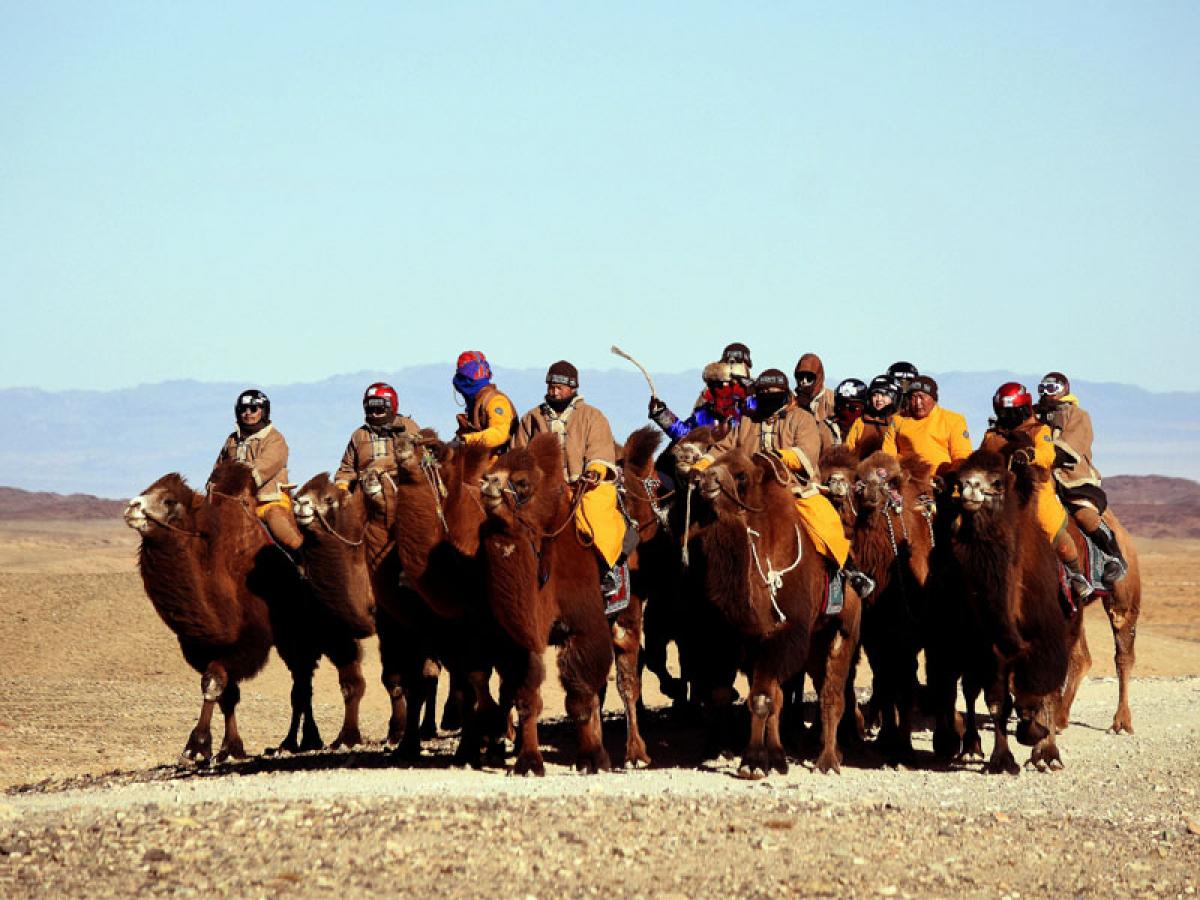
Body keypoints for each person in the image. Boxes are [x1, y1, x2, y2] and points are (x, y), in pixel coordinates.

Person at [692, 369, 874, 598]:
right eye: (764, 392)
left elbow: (807, 453)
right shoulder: (747, 421)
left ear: (785, 392)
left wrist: (778, 456)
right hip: (748, 493)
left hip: (792, 487)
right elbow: (722, 449)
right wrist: (700, 467)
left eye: (773, 392)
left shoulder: (802, 418)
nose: (768, 395)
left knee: (822, 516)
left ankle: (848, 570)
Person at [514, 361, 636, 614]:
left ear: (572, 388)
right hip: (543, 490)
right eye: (550, 386)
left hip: (583, 485)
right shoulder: (532, 418)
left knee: (595, 515)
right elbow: (520, 454)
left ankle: (606, 570)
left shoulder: (592, 416)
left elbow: (601, 451)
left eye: (559, 387)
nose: (554, 391)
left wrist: (594, 471)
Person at [982, 382, 1092, 600]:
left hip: (1034, 491)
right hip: (999, 494)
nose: (1005, 416)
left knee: (1051, 527)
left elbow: (1048, 454)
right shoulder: (992, 436)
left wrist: (1031, 456)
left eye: (1009, 412)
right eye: (1002, 412)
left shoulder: (1039, 430)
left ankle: (1075, 573)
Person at [1034, 371, 1126, 584]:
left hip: (1072, 479)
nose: (1047, 394)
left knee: (1085, 515)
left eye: (1052, 389)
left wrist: (1043, 455)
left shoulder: (1078, 415)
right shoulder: (1033, 416)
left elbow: (1070, 449)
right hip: (1041, 479)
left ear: (1064, 390)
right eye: (1042, 389)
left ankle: (1114, 556)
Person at [212, 388, 302, 550]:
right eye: (243, 409)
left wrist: (241, 481)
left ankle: (303, 566)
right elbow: (219, 469)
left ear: (263, 411)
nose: (248, 413)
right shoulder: (232, 440)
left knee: (283, 532)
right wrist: (213, 487)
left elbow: (266, 466)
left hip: (267, 501)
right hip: (234, 504)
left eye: (253, 409)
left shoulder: (274, 439)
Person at [334, 382, 422, 491]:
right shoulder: (359, 435)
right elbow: (346, 469)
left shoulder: (408, 427)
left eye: (379, 410)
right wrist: (342, 486)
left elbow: (422, 460)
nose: (374, 414)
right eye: (370, 410)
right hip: (366, 493)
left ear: (391, 407)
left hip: (403, 489)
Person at [881, 375, 971, 475]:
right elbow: (888, 454)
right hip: (906, 479)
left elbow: (962, 455)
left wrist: (951, 476)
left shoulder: (953, 420)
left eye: (921, 397)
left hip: (940, 479)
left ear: (933, 398)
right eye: (913, 397)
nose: (918, 403)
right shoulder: (898, 420)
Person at [649, 360, 747, 442]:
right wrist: (661, 413)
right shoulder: (702, 415)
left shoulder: (746, 412)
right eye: (711, 385)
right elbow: (685, 435)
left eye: (719, 385)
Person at [452, 350, 517, 455]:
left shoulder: (496, 401)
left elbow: (499, 433)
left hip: (498, 464)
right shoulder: (476, 403)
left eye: (463, 378)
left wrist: (465, 441)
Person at [845, 375, 899, 459]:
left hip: (892, 468)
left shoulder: (900, 421)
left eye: (884, 395)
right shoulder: (862, 421)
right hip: (863, 468)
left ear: (894, 397)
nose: (879, 399)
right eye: (875, 395)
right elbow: (849, 448)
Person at [793, 353, 836, 423]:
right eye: (800, 376)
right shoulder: (792, 398)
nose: (804, 381)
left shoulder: (830, 397)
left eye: (809, 377)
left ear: (818, 376)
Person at [829, 378, 867, 446]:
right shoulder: (827, 429)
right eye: (841, 406)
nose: (845, 413)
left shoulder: (870, 431)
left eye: (853, 408)